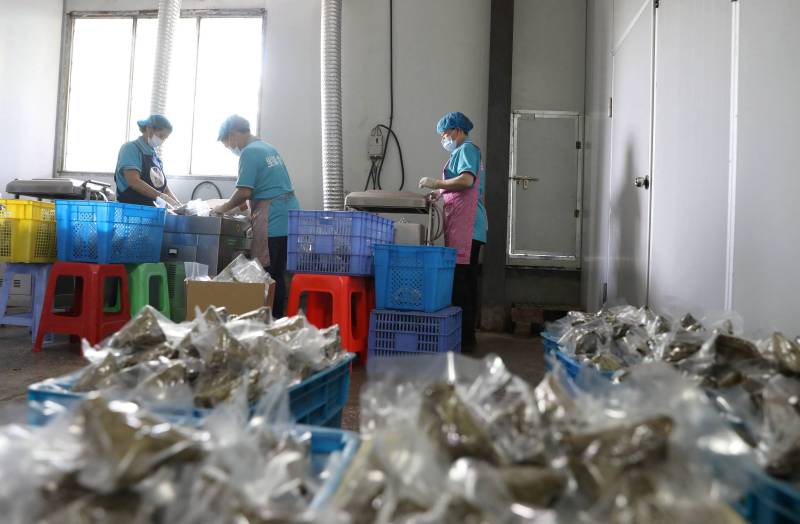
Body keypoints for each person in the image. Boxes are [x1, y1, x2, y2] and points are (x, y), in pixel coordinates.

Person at [213, 115, 300, 319]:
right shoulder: (267, 147)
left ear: (232, 135)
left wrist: (223, 208)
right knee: (279, 275)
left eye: (227, 144)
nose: (230, 148)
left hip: (272, 219)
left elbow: (244, 191)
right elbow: (265, 185)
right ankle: (278, 320)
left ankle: (269, 321)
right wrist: (243, 202)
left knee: (267, 275)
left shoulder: (249, 152)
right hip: (289, 216)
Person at [419, 111, 487, 349]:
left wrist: (437, 182)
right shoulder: (458, 153)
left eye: (445, 134)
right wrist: (440, 192)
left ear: (457, 130)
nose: (443, 139)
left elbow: (466, 181)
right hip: (461, 225)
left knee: (463, 284)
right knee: (462, 281)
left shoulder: (467, 149)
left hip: (468, 227)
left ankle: (466, 339)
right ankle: (464, 336)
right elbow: (457, 184)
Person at [114, 114, 181, 207]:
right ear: (149, 129)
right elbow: (134, 181)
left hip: (152, 209)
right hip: (131, 209)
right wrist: (161, 196)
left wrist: (179, 205)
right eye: (161, 136)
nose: (162, 140)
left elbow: (165, 189)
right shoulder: (130, 148)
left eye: (165, 138)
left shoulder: (156, 158)